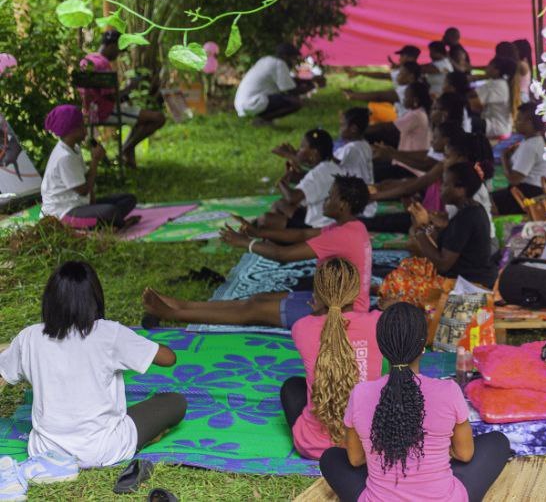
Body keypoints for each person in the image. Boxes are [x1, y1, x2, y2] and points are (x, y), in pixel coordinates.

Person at [0, 261, 187, 470]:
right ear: (95, 298)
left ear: (50, 300)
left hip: (46, 452)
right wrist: (140, 343)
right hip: (104, 449)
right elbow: (168, 358)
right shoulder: (109, 334)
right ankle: (142, 439)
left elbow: (3, 374)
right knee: (175, 401)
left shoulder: (29, 337)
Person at [320, 302, 511, 502]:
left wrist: (387, 450)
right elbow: (465, 454)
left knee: (331, 458)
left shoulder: (360, 394)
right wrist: (433, 452)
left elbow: (356, 459)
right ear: (422, 347)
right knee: (497, 442)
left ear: (382, 347)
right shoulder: (448, 391)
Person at [142, 175, 373, 329]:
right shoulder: (352, 227)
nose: (326, 200)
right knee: (258, 299)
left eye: (331, 195)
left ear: (342, 205)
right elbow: (302, 235)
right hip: (337, 302)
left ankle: (174, 314)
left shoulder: (343, 235)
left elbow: (283, 255)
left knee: (251, 310)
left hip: (343, 317)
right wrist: (257, 231)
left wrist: (246, 243)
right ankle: (180, 304)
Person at [282, 257, 383, 460]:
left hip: (314, 446)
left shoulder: (301, 328)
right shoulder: (378, 323)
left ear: (317, 293)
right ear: (357, 293)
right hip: (368, 445)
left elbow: (327, 327)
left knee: (292, 387)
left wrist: (317, 310)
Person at [38, 105, 138, 230]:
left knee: (128, 199)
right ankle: (115, 225)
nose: (85, 130)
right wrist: (95, 161)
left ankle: (108, 222)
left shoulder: (74, 149)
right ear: (71, 130)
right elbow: (83, 190)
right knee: (110, 211)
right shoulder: (64, 157)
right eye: (82, 126)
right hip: (62, 213)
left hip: (79, 205)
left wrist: (93, 205)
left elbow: (86, 180)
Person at [77, 29, 166, 167]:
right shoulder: (102, 64)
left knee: (141, 118)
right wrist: (131, 86)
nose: (119, 54)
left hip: (90, 111)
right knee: (158, 118)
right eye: (119, 49)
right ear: (112, 46)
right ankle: (125, 149)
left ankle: (128, 155)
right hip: (105, 112)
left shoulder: (86, 60)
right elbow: (113, 98)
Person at [402, 164, 499, 290]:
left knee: (401, 288)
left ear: (461, 189)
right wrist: (425, 224)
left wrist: (420, 231)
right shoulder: (470, 210)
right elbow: (448, 245)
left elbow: (442, 264)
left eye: (445, 184)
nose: (441, 189)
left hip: (469, 288)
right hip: (467, 282)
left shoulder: (467, 218)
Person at [262, 129, 342, 230]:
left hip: (318, 227)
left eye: (302, 147)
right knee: (280, 204)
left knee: (265, 220)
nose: (298, 150)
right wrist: (291, 174)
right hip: (327, 220)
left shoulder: (319, 172)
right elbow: (312, 183)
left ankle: (276, 240)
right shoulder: (330, 167)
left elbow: (292, 198)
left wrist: (281, 182)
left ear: (314, 153)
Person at [234, 43, 317, 125]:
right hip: (253, 103)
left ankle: (263, 118)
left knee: (285, 99)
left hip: (243, 104)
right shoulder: (280, 64)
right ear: (285, 56)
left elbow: (289, 81)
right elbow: (291, 91)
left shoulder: (266, 60)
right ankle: (263, 120)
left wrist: (310, 81)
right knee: (295, 102)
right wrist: (311, 86)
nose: (294, 61)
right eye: (293, 58)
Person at [493, 103, 546, 215]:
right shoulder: (532, 141)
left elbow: (513, 179)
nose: (516, 123)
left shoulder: (530, 146)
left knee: (489, 203)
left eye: (519, 120)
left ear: (530, 123)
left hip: (529, 194)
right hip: (529, 189)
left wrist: (504, 158)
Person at [334, 109, 378, 219]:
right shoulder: (363, 144)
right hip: (365, 203)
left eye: (342, 125)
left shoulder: (352, 148)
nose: (340, 129)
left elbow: (331, 163)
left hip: (358, 207)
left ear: (353, 129)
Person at [473, 57, 518, 140]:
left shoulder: (496, 84)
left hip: (496, 127)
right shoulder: (502, 83)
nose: (486, 67)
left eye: (489, 65)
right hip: (502, 127)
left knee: (467, 123)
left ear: (496, 70)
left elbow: (474, 103)